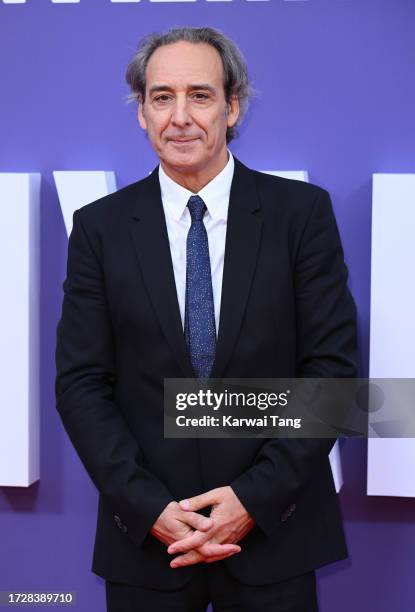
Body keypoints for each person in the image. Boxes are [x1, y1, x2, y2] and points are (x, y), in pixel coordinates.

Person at [55, 26, 357, 611]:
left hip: (275, 536)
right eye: (162, 96)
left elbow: (332, 376)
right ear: (141, 112)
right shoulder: (100, 229)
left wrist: (251, 501)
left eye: (200, 94)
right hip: (148, 546)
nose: (180, 117)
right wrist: (151, 510)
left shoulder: (301, 216)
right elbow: (81, 385)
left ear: (232, 106)